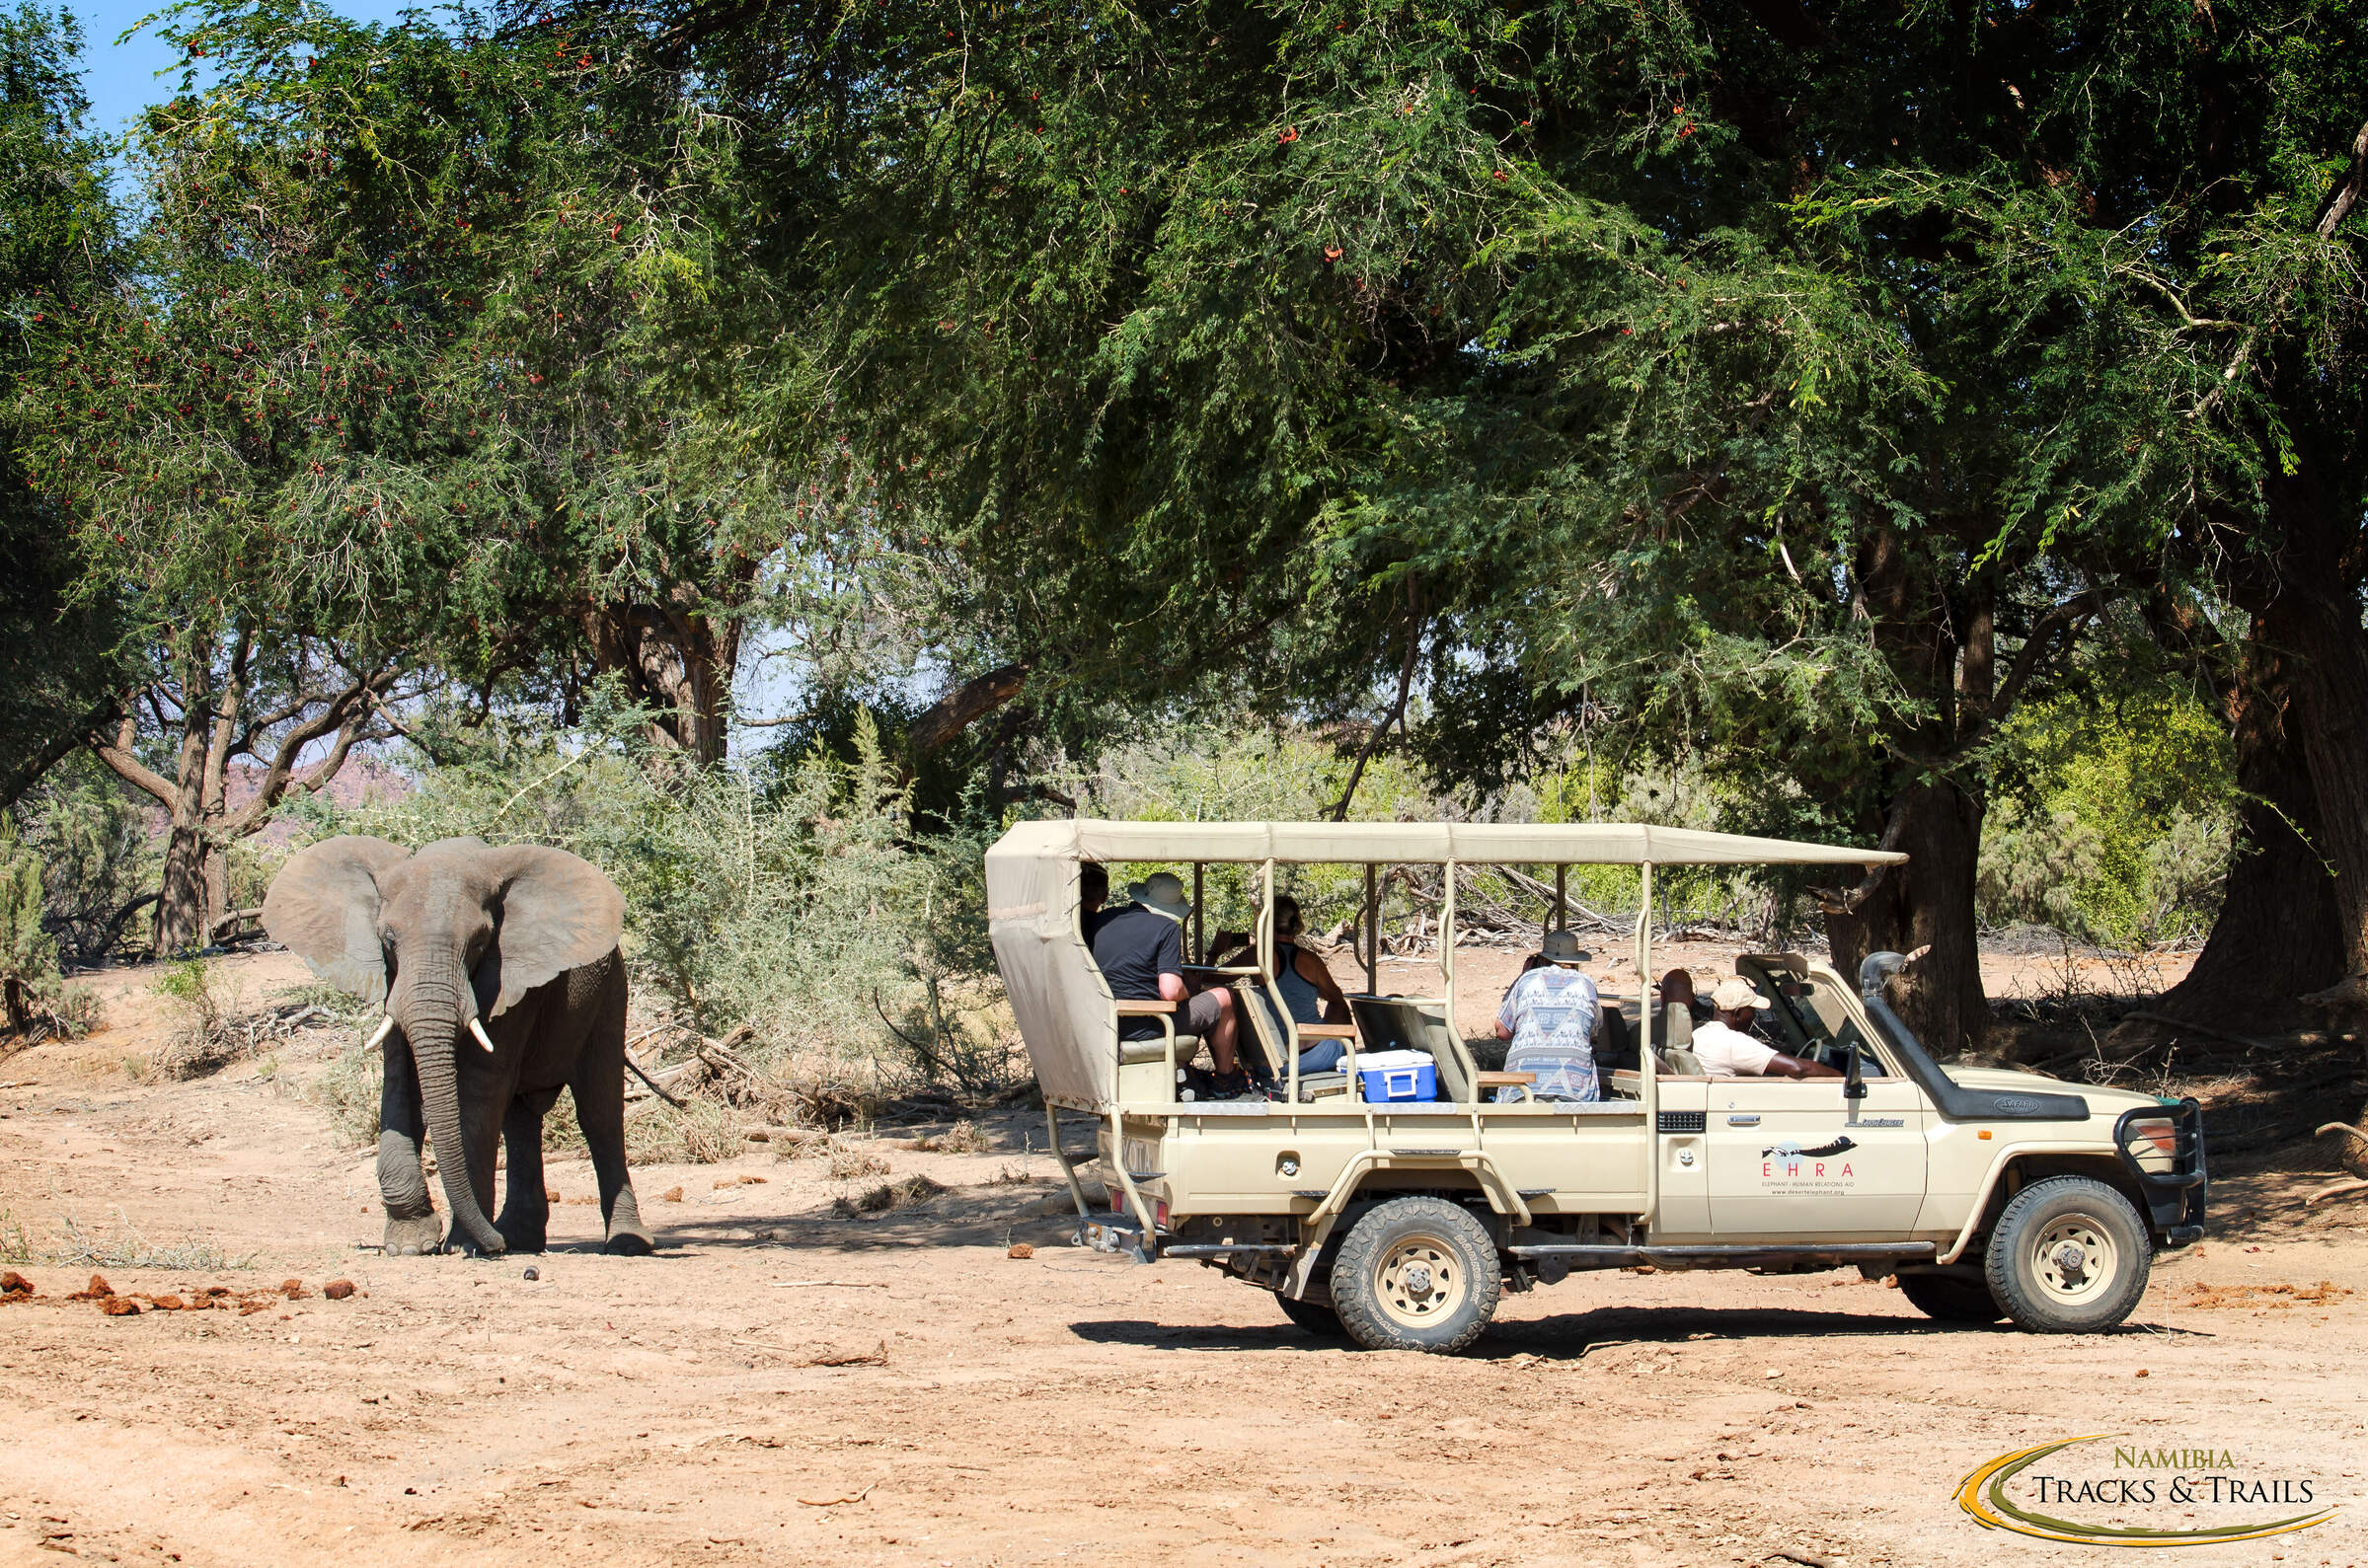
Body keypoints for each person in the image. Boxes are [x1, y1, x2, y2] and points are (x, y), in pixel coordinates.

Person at [1088, 869, 1245, 1091]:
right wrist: (1188, 991)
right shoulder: (1166, 928)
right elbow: (1170, 991)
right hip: (1149, 1025)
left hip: (1107, 1024)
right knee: (1224, 997)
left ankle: (1184, 1074)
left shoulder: (1103, 919)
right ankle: (1225, 1080)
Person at [1491, 929, 1601, 1102]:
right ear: (1575, 961)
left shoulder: (1526, 980)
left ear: (1542, 959)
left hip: (1522, 1091)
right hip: (1574, 1093)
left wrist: (1522, 976)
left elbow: (1501, 1032)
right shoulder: (1586, 985)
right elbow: (1593, 1033)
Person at [1689, 977, 1842, 1079]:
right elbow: (1798, 1068)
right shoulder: (1735, 1043)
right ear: (1738, 1013)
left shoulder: (1700, 1033)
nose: (1754, 1016)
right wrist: (1840, 1077)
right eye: (1752, 1010)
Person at [1270, 895, 1356, 1075]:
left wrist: (1215, 953)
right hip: (1304, 1055)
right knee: (1340, 1008)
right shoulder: (1309, 961)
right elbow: (1336, 998)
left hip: (1264, 1061)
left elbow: (1210, 977)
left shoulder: (1254, 957)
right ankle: (1349, 1073)